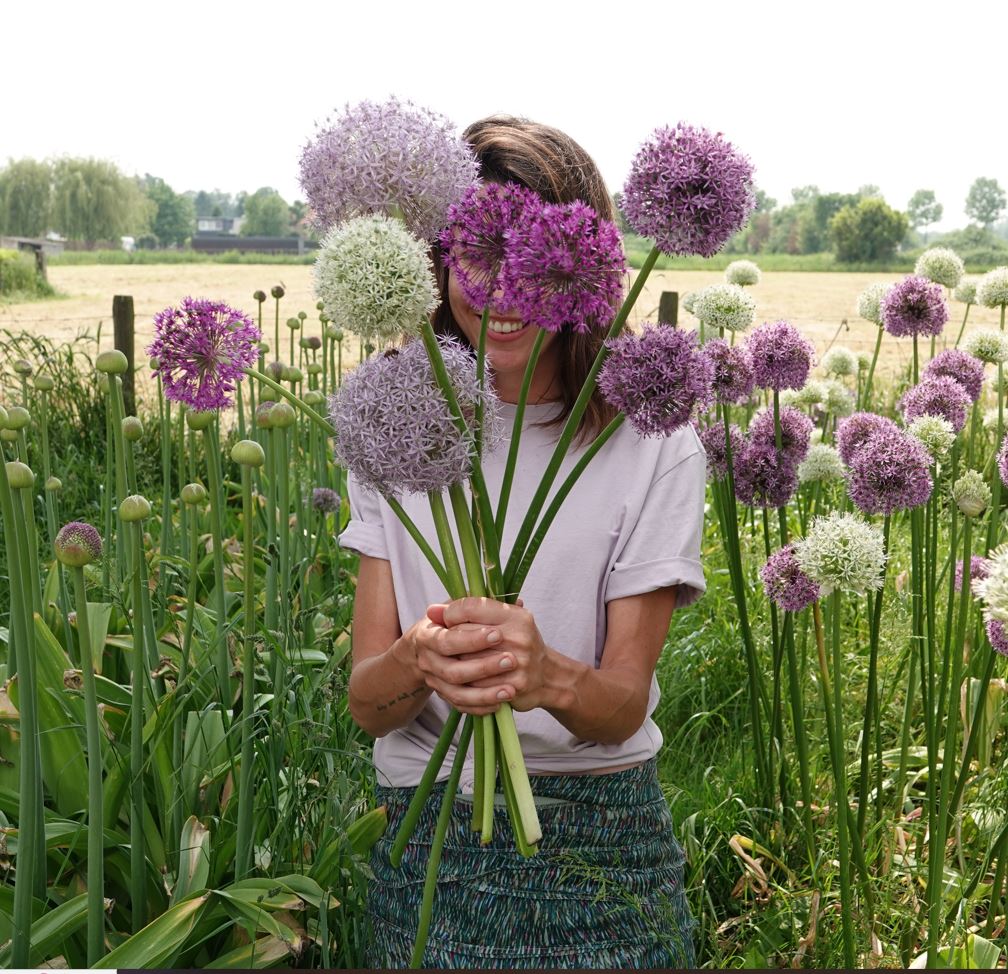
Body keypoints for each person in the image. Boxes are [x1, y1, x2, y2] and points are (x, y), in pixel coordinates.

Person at [340, 115, 707, 970]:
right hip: (428, 839)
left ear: (584, 266)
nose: (496, 287)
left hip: (602, 832)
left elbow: (621, 708)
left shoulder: (653, 438)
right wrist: (420, 659)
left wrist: (543, 676)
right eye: (472, 250)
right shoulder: (392, 416)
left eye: (530, 257)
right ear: (434, 258)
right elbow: (368, 704)